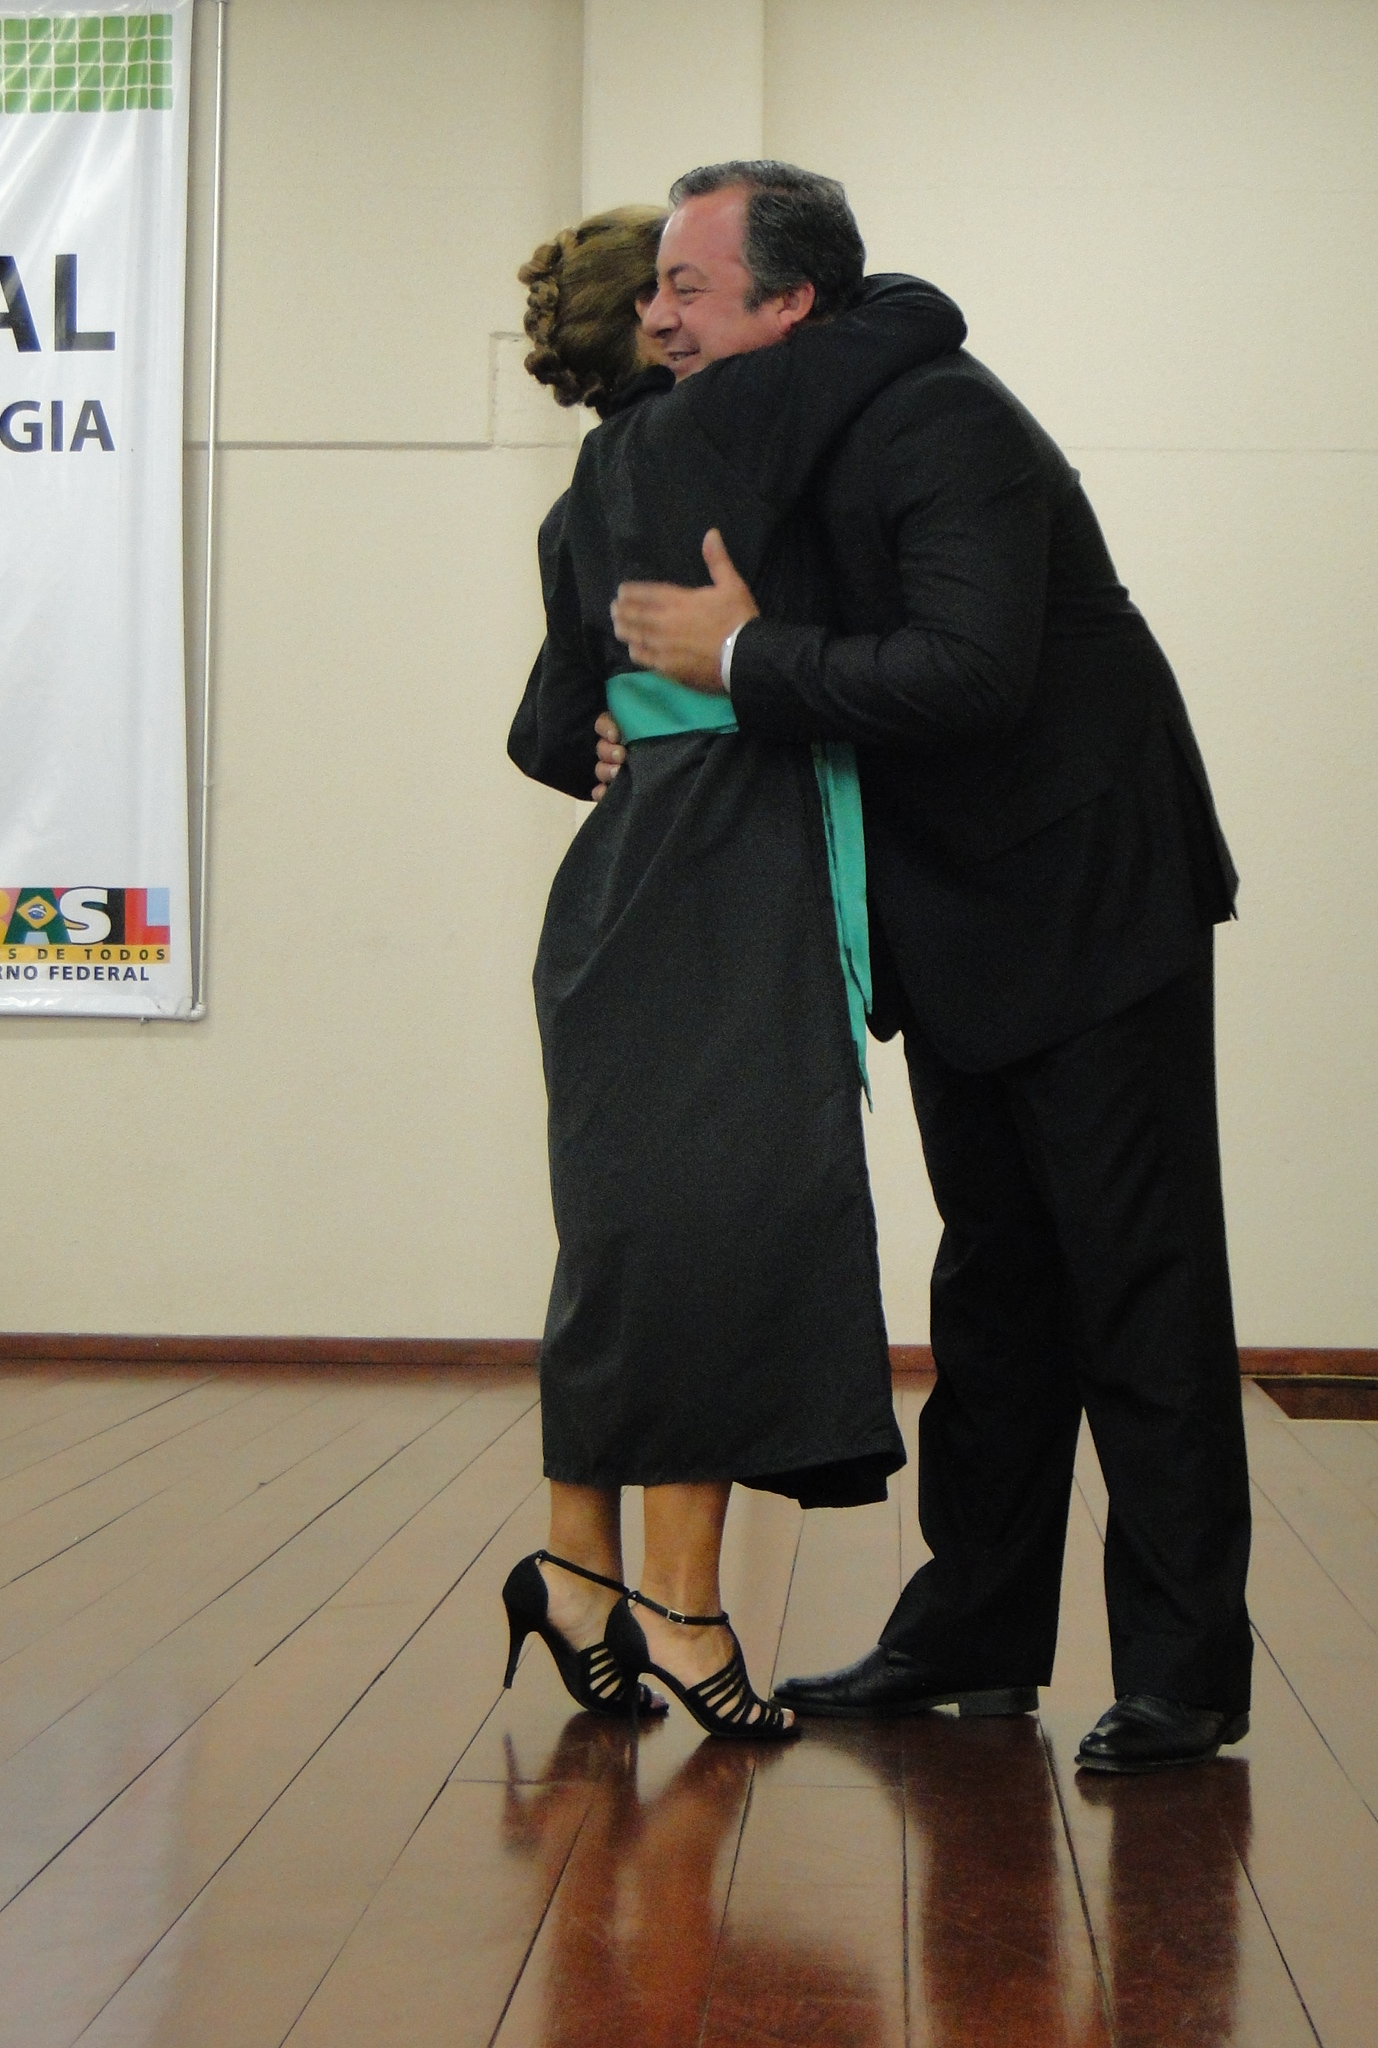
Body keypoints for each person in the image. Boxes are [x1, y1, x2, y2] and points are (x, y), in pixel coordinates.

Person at [606, 162, 1254, 1773]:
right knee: (996, 1287)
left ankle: (1186, 1672)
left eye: (688, 286)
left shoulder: (936, 421)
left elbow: (967, 672)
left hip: (1090, 899)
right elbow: (661, 654)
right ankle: (974, 1632)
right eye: (658, 287)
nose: (657, 316)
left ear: (789, 302)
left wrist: (738, 660)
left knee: (1140, 1286)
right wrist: (621, 733)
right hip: (955, 909)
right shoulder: (782, 426)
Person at [503, 204, 968, 1738]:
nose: (689, 308)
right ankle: (678, 1607)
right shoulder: (724, 422)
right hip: (720, 874)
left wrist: (622, 736)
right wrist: (812, 291)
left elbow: (544, 730)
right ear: (652, 322)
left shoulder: (593, 482)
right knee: (710, 1235)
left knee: (634, 1244)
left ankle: (580, 1573)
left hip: (632, 884)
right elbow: (915, 313)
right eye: (673, 286)